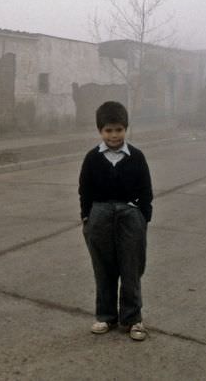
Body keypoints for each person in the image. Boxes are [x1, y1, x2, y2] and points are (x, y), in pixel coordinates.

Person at [79, 101, 153, 341]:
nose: (114, 135)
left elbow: (146, 190)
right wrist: (87, 217)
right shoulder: (92, 158)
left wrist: (142, 217)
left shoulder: (137, 157)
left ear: (126, 129)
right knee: (103, 269)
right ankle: (106, 316)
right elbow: (85, 190)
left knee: (131, 268)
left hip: (129, 216)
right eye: (108, 130)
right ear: (101, 131)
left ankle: (133, 318)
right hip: (99, 216)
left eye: (119, 129)